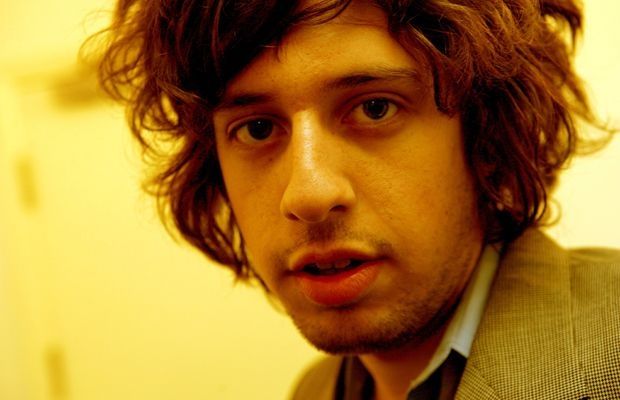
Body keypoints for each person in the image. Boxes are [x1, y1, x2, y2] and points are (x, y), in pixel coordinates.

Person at [88, 0, 619, 398]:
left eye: (374, 109)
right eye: (255, 129)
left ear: (485, 134)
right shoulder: (314, 390)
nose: (309, 193)